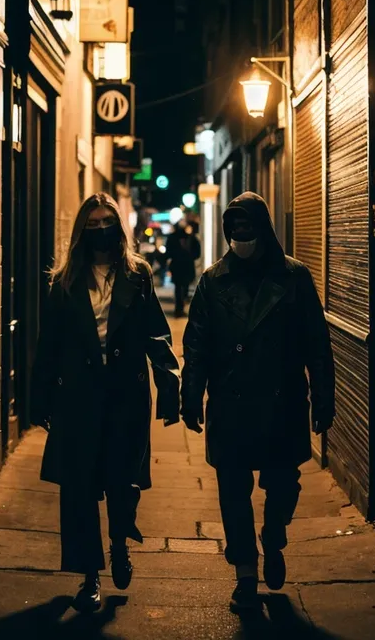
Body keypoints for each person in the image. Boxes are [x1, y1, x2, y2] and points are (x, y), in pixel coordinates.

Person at [181, 192, 335, 612]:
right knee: (233, 491)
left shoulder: (294, 277)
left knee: (283, 484)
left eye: (246, 227)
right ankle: (245, 572)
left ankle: (274, 532)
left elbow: (316, 343)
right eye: (233, 229)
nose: (239, 234)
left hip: (282, 402)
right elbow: (196, 343)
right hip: (231, 402)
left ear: (263, 228)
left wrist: (324, 396)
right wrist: (190, 396)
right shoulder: (214, 281)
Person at [30, 193, 180, 612]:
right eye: (92, 223)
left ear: (118, 228)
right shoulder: (65, 281)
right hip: (78, 396)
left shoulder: (138, 274)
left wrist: (169, 384)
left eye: (106, 222)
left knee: (121, 480)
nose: (100, 230)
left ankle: (119, 544)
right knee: (80, 488)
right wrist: (39, 396)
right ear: (82, 230)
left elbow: (156, 331)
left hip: (125, 395)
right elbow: (50, 345)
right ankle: (89, 576)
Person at [166, 220, 201, 317]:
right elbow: (197, 252)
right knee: (183, 286)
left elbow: (168, 252)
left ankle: (179, 307)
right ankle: (180, 307)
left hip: (178, 266)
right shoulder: (191, 238)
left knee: (179, 287)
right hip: (186, 266)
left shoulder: (173, 238)